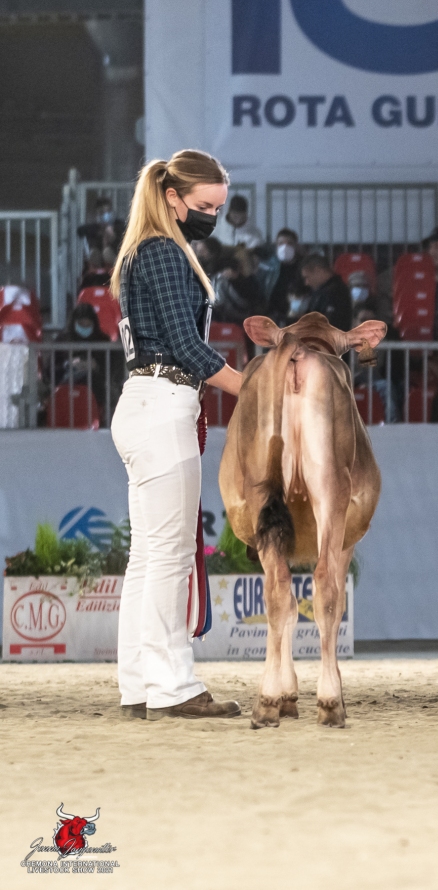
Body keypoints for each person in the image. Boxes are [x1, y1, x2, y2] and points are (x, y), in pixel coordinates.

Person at [109, 150, 245, 720]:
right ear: (172, 198)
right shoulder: (164, 251)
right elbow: (188, 347)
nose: (213, 216)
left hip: (146, 402)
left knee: (147, 556)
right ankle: (173, 686)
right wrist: (252, 389)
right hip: (164, 402)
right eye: (205, 206)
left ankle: (140, 685)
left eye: (218, 207)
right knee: (168, 557)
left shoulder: (145, 249)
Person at [296, 254, 353, 331]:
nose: (306, 283)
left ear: (317, 270)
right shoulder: (318, 292)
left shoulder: (336, 292)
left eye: (307, 277)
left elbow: (331, 324)